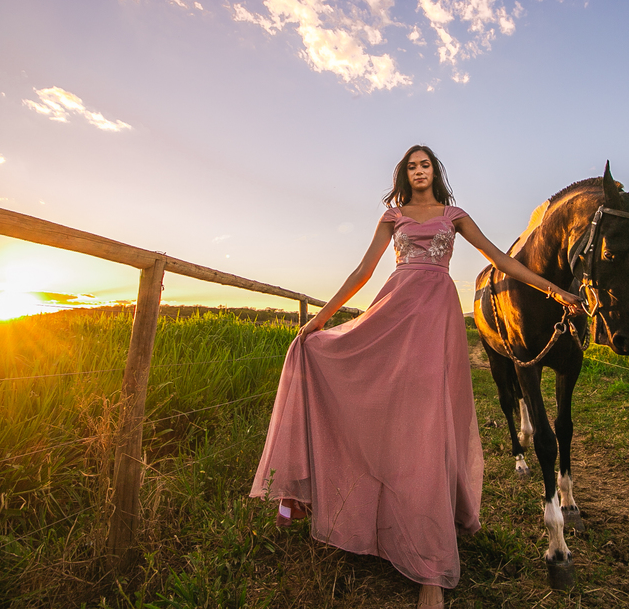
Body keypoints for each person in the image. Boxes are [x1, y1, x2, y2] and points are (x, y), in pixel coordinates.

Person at [250, 144, 583, 608]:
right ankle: (379, 516)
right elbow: (364, 271)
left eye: (425, 165)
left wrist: (554, 289)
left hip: (437, 317)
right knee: (388, 410)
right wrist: (320, 320)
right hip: (396, 308)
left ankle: (431, 564)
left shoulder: (454, 215)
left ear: (435, 172)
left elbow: (497, 258)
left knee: (429, 423)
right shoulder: (392, 217)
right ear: (404, 174)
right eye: (412, 166)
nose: (419, 171)